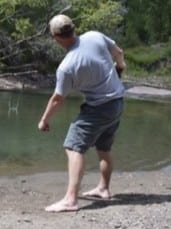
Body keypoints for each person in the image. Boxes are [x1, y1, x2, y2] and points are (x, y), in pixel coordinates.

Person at [38, 14, 126, 212]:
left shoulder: (67, 67)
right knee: (104, 148)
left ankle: (71, 200)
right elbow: (119, 52)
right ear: (74, 28)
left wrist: (44, 120)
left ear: (55, 37)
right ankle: (103, 189)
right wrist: (120, 68)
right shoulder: (95, 36)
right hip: (118, 103)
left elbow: (58, 99)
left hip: (99, 107)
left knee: (73, 147)